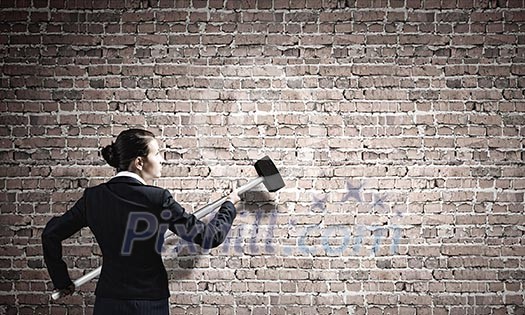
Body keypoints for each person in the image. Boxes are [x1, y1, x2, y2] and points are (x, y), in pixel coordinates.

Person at [42, 128, 240, 315]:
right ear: (139, 162)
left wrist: (61, 280)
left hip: (109, 301)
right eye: (157, 154)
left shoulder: (93, 198)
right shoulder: (158, 199)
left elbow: (51, 234)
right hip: (149, 302)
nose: (162, 160)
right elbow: (209, 237)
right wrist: (229, 206)